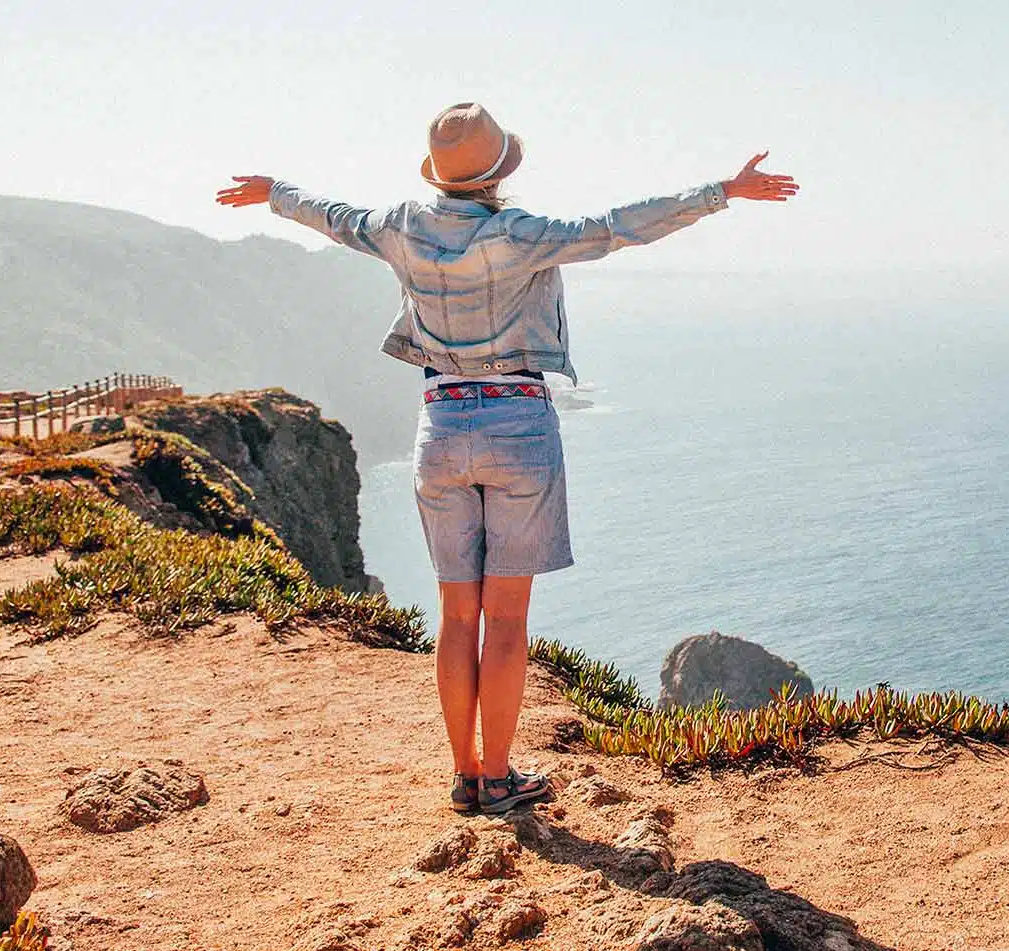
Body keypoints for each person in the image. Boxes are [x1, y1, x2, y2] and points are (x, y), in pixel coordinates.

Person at [216, 102, 798, 814]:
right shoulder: (521, 234)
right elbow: (617, 226)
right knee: (508, 618)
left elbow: (333, 216)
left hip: (441, 425)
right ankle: (498, 774)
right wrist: (722, 192)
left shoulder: (400, 225)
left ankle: (466, 775)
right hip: (519, 425)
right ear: (498, 173)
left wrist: (273, 192)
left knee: (457, 616)